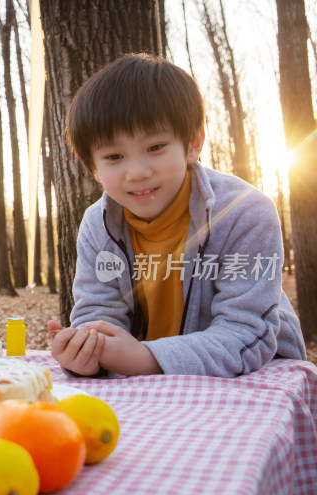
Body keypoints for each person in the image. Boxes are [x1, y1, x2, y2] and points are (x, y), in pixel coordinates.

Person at [47, 53, 306, 378]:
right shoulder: (97, 225)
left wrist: (145, 358)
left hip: (258, 377)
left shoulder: (244, 212)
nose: (138, 172)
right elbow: (99, 312)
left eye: (155, 147)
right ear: (94, 169)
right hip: (149, 388)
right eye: (114, 156)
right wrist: (88, 351)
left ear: (192, 144)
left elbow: (246, 333)